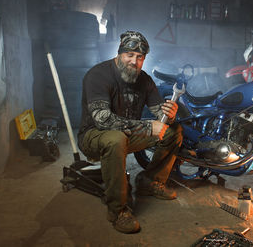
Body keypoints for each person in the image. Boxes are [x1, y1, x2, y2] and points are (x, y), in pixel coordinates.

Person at [77, 31, 182, 234]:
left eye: (140, 57)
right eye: (130, 55)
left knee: (174, 131)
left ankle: (150, 181)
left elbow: (159, 114)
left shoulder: (144, 80)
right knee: (116, 139)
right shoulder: (98, 75)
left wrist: (170, 114)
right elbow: (103, 119)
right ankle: (117, 210)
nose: (134, 61)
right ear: (119, 54)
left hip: (126, 134)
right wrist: (148, 127)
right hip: (94, 136)